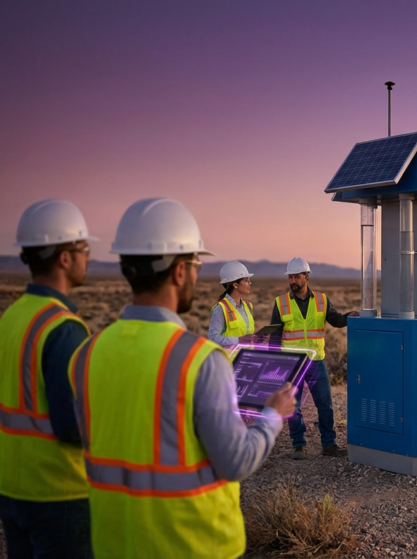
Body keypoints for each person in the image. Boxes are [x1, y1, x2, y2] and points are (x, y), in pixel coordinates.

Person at [68, 198, 295, 558]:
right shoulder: (201, 362)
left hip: (113, 543)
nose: (196, 273)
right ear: (178, 271)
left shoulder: (85, 354)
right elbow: (236, 461)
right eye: (195, 264)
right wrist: (272, 415)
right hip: (193, 544)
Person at [0, 200, 96, 557]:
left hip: (12, 487)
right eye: (84, 249)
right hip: (59, 493)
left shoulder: (12, 316)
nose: (89, 258)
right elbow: (72, 426)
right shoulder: (63, 328)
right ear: (65, 257)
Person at [270, 257, 357, 460]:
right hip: (292, 363)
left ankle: (329, 444)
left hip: (316, 361)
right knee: (294, 406)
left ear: (306, 277)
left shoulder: (321, 300)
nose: (292, 281)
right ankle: (298, 445)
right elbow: (275, 336)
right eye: (290, 277)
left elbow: (334, 320)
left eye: (296, 276)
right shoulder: (280, 303)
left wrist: (349, 316)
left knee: (325, 404)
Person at [208, 261, 256, 347]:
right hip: (229, 359)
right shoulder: (220, 308)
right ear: (235, 285)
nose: (250, 283)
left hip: (246, 357)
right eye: (246, 281)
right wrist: (238, 340)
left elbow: (246, 335)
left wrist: (256, 338)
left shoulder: (248, 306)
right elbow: (213, 338)